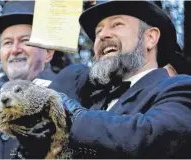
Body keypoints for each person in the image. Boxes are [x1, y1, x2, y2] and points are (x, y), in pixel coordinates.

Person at [51, 1, 191, 158]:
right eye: (98, 32)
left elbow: (152, 137)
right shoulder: (92, 102)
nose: (102, 35)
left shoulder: (182, 88)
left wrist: (72, 117)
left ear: (150, 38)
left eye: (117, 24)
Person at [0, 1, 58, 158]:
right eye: (7, 43)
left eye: (25, 41)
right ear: (0, 56)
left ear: (48, 52)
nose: (15, 50)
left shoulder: (74, 96)